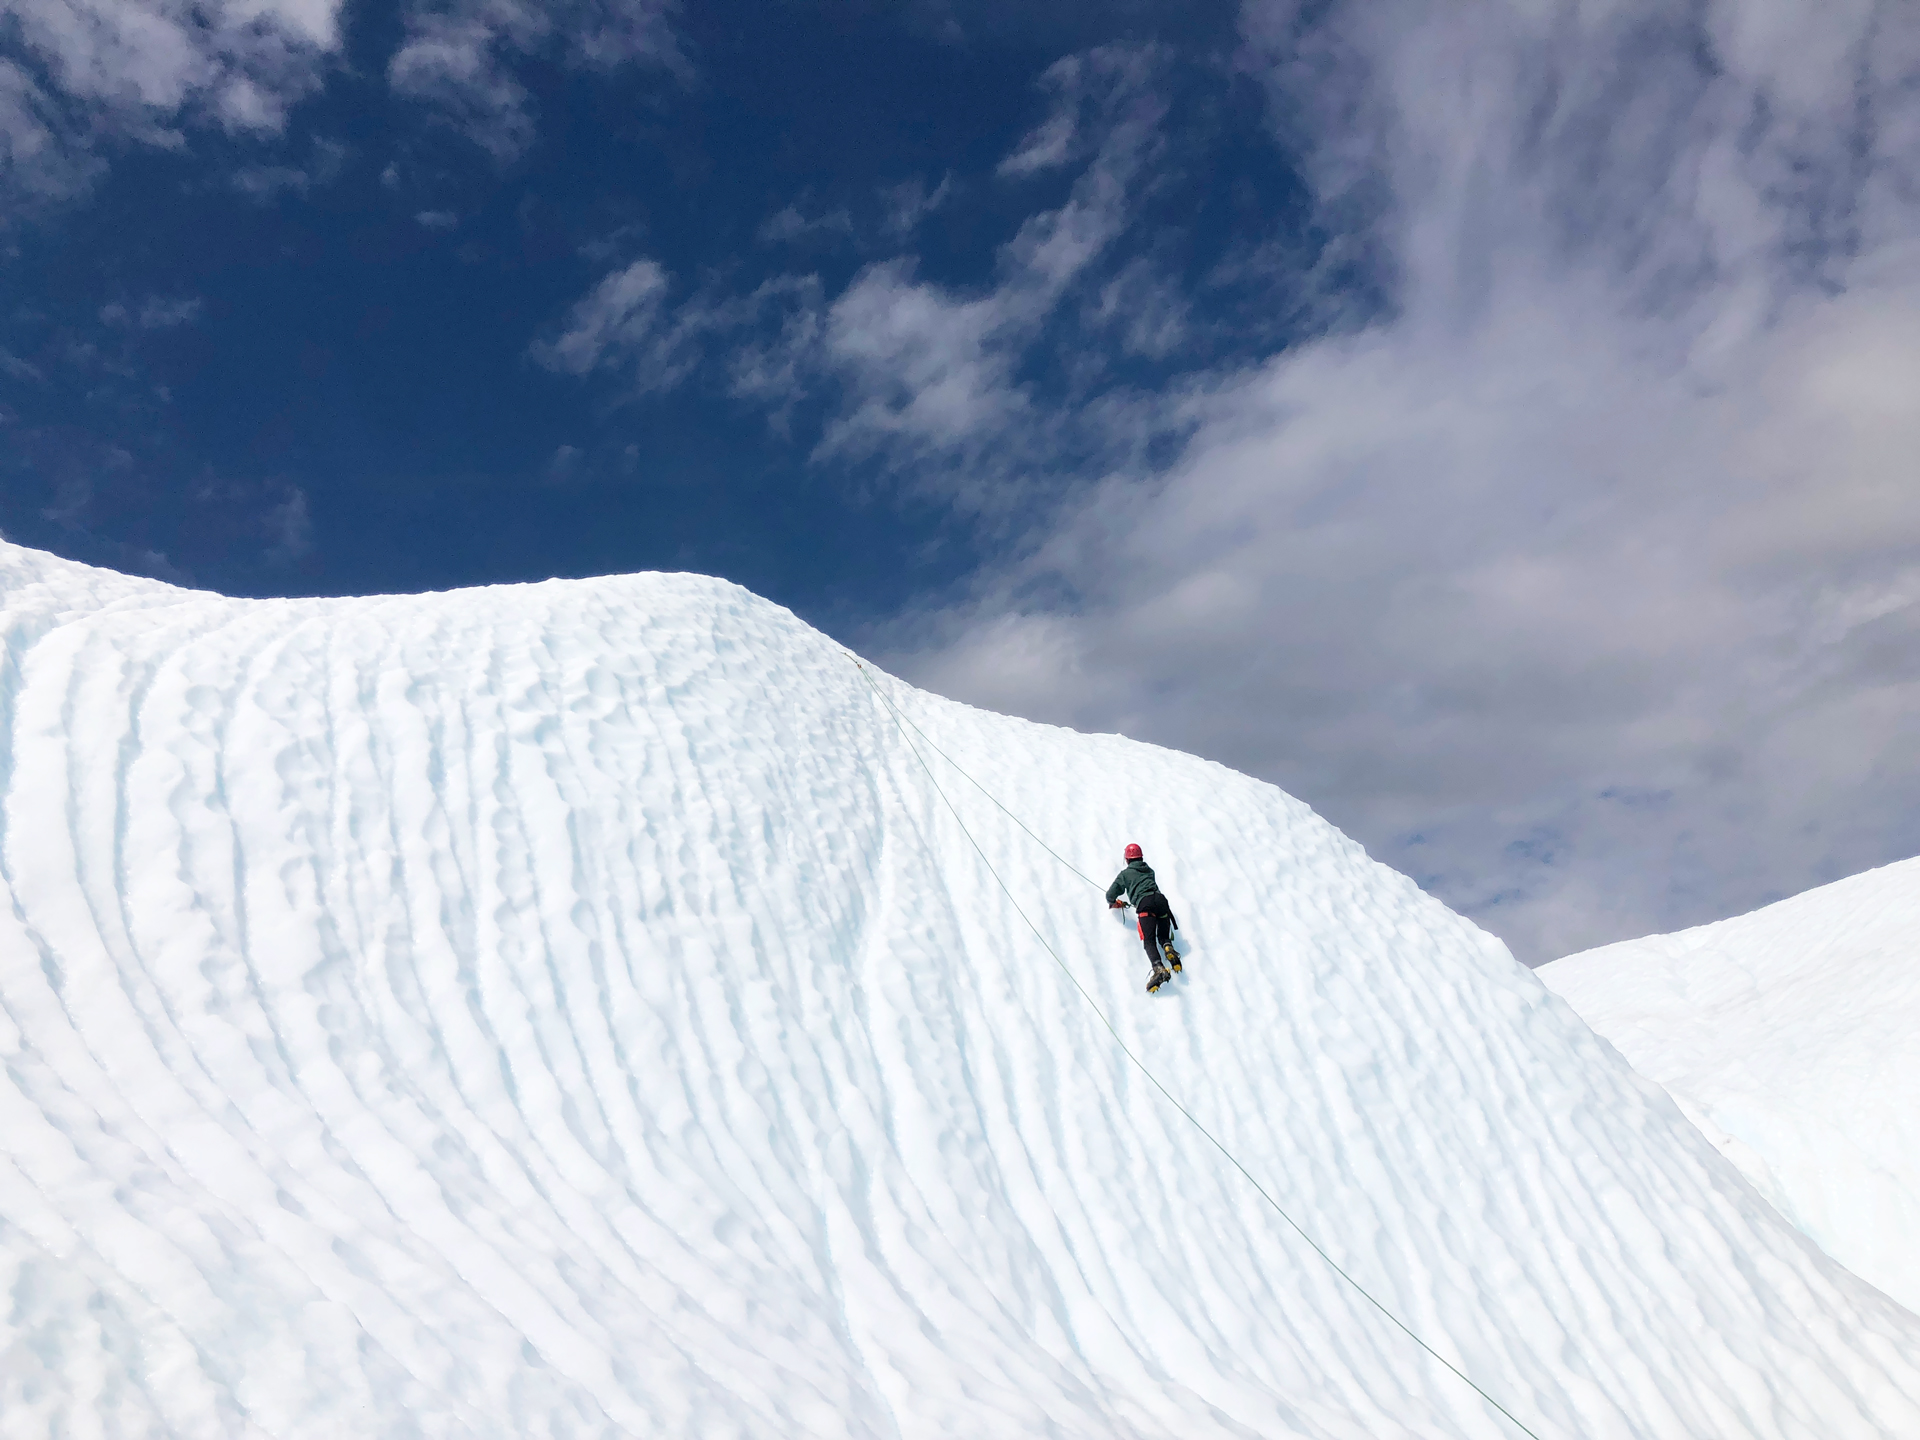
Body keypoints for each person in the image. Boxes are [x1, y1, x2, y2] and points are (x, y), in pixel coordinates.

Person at [1106, 842, 1181, 991]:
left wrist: (1114, 903)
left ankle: (1158, 968)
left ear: (1127, 859)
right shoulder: (1149, 870)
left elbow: (1110, 895)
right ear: (1141, 857)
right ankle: (1168, 948)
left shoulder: (1125, 874)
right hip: (1161, 901)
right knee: (1163, 937)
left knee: (1149, 941)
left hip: (1145, 904)